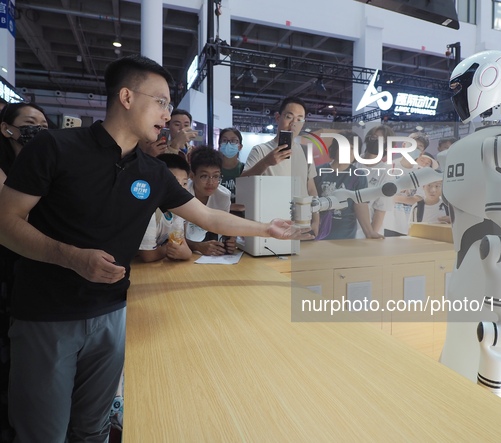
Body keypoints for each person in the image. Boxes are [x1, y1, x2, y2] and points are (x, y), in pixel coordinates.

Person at [0, 54, 310, 443]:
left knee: (94, 428)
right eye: (161, 101)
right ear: (126, 96)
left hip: (112, 313)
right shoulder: (55, 148)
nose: (168, 113)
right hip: (47, 315)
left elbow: (209, 219)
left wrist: (267, 227)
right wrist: (71, 257)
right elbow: (6, 223)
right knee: (42, 432)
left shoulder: (152, 173)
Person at [0, 102, 48, 443]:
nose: (38, 129)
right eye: (30, 123)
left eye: (44, 124)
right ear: (7, 129)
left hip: (31, 268)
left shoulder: (45, 166)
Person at [242, 96, 319, 234]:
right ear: (278, 117)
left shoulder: (306, 151)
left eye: (299, 119)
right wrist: (266, 162)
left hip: (302, 223)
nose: (293, 123)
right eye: (289, 117)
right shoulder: (260, 150)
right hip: (272, 223)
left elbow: (311, 189)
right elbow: (243, 181)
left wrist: (316, 220)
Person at [314, 131, 382, 240]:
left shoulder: (358, 175)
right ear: (335, 148)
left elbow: (360, 205)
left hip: (345, 234)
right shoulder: (317, 171)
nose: (349, 152)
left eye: (352, 149)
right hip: (318, 232)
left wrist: (369, 232)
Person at [137, 153, 193, 262]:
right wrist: (171, 250)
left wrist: (187, 253)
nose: (181, 189)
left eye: (185, 183)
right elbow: (147, 255)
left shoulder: (178, 209)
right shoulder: (149, 209)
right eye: (175, 183)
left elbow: (179, 243)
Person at [185, 146, 236, 256]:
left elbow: (224, 227)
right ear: (192, 176)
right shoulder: (182, 193)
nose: (211, 182)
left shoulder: (223, 196)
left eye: (216, 176)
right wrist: (197, 246)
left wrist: (230, 240)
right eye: (204, 176)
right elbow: (172, 236)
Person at [356, 124, 395, 236]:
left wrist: (371, 234)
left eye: (381, 139)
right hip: (347, 225)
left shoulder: (385, 170)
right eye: (373, 137)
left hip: (369, 228)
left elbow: (381, 209)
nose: (375, 141)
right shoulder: (355, 162)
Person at [218, 127, 245, 215]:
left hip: (240, 218)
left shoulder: (245, 169)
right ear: (220, 145)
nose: (229, 144)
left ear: (240, 146)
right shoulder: (213, 168)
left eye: (233, 141)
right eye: (225, 140)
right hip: (216, 216)